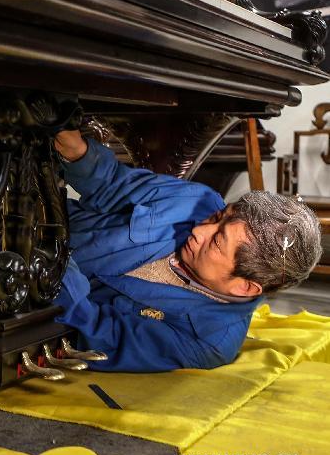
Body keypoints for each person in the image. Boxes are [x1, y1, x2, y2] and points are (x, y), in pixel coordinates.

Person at [52, 129, 322, 372]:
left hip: (35, 293)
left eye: (217, 241)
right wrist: (79, 153)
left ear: (245, 287)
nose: (199, 230)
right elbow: (114, 183)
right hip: (35, 216)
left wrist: (52, 260)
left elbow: (96, 335)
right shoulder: (199, 200)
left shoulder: (208, 341)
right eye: (217, 217)